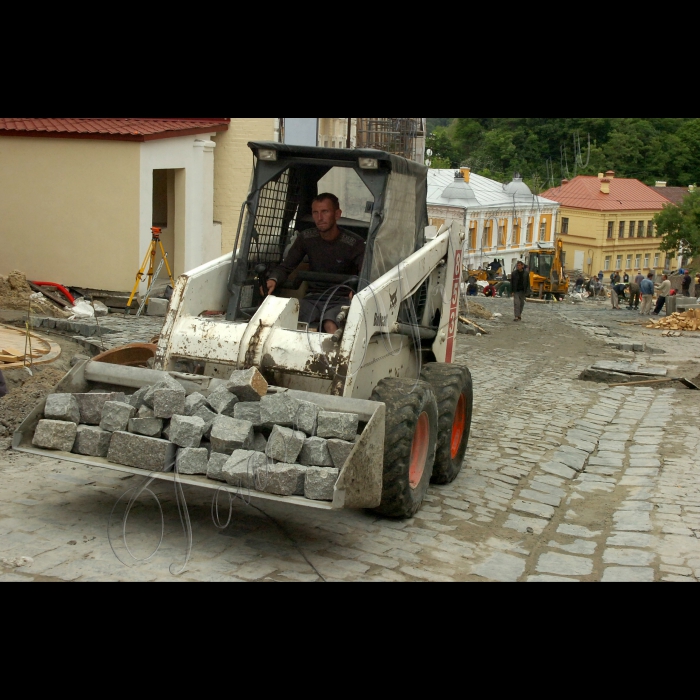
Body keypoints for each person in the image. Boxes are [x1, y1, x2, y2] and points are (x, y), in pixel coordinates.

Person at [268, 193, 365, 334]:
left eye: (325, 212)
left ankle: (336, 357)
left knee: (330, 325)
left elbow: (365, 273)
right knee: (286, 317)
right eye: (315, 212)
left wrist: (358, 289)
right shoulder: (306, 238)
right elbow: (286, 266)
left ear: (337, 214)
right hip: (312, 298)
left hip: (341, 300)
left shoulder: (354, 243)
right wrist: (273, 279)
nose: (320, 218)